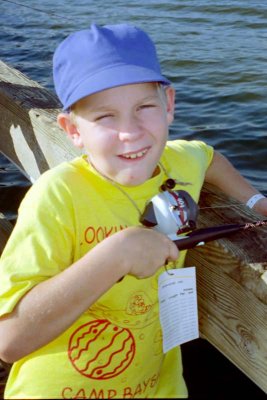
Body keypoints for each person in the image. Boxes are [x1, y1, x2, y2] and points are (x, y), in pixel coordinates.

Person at [0, 23, 266, 399]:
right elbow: (9, 340)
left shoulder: (178, 162)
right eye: (104, 117)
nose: (131, 132)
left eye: (144, 107)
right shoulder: (57, 196)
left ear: (169, 105)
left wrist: (256, 201)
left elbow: (209, 157)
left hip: (161, 386)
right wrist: (114, 257)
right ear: (72, 130)